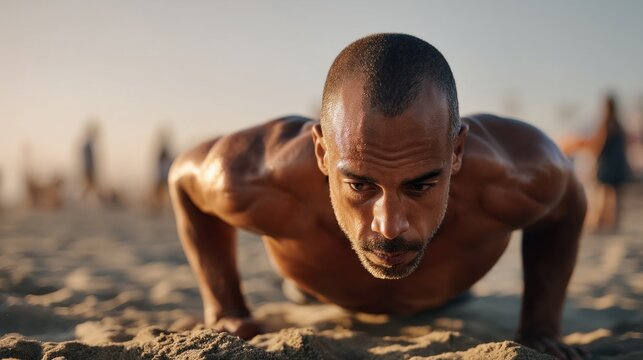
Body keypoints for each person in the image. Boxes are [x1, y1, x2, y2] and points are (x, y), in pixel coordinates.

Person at [169, 34, 588, 359]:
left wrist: (540, 325)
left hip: (449, 293)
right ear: (321, 152)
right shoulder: (257, 177)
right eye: (360, 185)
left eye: (420, 185)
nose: (389, 226)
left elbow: (568, 204)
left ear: (456, 151)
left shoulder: (518, 173)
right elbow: (184, 182)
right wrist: (225, 308)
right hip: (317, 291)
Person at [593, 95, 630, 230]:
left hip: (608, 164)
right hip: (618, 163)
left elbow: (602, 144)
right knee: (616, 194)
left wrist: (596, 158)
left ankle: (600, 221)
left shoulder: (606, 123)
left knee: (602, 192)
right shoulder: (619, 124)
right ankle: (615, 222)